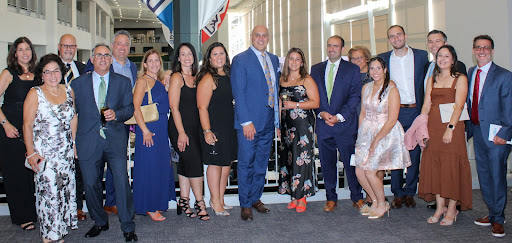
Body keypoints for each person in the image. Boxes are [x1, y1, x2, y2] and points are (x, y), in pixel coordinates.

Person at [71, 44, 137, 241]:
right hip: (88, 141)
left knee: (121, 182)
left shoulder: (123, 82)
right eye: (98, 55)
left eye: (106, 55)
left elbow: (130, 109)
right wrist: (73, 142)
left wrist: (116, 114)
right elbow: (72, 114)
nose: (102, 58)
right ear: (92, 59)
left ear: (111, 59)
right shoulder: (78, 84)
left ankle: (127, 226)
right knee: (91, 184)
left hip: (115, 140)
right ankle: (100, 221)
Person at [23, 54, 78, 242]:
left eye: (56, 70)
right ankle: (49, 236)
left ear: (62, 72)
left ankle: (58, 232)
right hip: (45, 156)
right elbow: (27, 125)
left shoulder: (69, 90)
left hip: (66, 153)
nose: (53, 75)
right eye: (47, 72)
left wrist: (75, 143)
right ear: (42, 74)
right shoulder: (35, 93)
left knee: (63, 194)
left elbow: (73, 118)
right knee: (49, 196)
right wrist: (31, 153)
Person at [417, 45, 472, 225]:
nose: (442, 59)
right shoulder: (432, 79)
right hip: (433, 126)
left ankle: (452, 209)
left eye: (446, 56)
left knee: (451, 168)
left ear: (453, 59)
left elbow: (459, 106)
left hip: (452, 127)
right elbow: (426, 104)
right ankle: (440, 207)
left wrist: (450, 128)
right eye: (440, 56)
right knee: (436, 168)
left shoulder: (460, 78)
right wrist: (422, 128)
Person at [231, 25, 280, 221]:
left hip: (268, 122)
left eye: (264, 35)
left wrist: (276, 121)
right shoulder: (240, 60)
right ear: (251, 37)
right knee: (246, 163)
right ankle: (245, 204)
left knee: (261, 163)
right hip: (249, 124)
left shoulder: (274, 59)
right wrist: (246, 122)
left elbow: (274, 92)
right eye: (257, 35)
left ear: (268, 38)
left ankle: (255, 198)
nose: (261, 38)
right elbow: (238, 92)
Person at [310, 35, 363, 212]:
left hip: (345, 125)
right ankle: (331, 198)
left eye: (336, 46)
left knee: (351, 164)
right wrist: (322, 113)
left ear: (342, 49)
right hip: (324, 125)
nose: (332, 49)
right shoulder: (316, 69)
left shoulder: (352, 69)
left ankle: (357, 196)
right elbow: (312, 96)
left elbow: (355, 96)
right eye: (329, 45)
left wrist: (339, 116)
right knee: (327, 164)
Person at [378, 25, 428, 209]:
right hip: (395, 112)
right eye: (392, 36)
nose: (396, 38)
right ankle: (397, 193)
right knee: (396, 152)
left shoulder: (422, 56)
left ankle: (410, 192)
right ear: (389, 40)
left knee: (414, 153)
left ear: (405, 36)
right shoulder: (384, 58)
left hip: (415, 110)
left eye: (399, 34)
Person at [354, 57, 411, 219]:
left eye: (378, 68)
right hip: (366, 131)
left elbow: (392, 119)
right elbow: (363, 113)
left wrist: (376, 139)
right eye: (372, 68)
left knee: (371, 171)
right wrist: (360, 135)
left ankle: (382, 203)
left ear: (385, 70)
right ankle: (375, 201)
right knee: (359, 171)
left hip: (385, 132)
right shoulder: (366, 87)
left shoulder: (392, 90)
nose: (375, 72)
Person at [467, 35, 512, 238]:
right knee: (484, 176)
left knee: (497, 177)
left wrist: (504, 133)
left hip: (497, 137)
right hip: (478, 132)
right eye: (478, 47)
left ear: (492, 51)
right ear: (474, 50)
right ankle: (492, 213)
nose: (482, 51)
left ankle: (499, 219)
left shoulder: (504, 75)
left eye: (486, 48)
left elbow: (509, 108)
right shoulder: (471, 72)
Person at [132, 49, 176, 221]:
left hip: (161, 129)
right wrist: (145, 131)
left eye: (157, 60)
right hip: (149, 130)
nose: (154, 63)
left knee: (160, 167)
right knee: (149, 168)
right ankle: (149, 206)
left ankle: (156, 202)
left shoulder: (158, 81)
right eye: (150, 61)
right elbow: (135, 108)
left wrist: (168, 72)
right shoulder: (143, 81)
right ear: (144, 64)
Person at [168, 43, 210, 221]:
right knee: (195, 164)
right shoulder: (177, 77)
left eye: (189, 54)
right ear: (178, 58)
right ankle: (200, 202)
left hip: (195, 128)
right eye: (182, 54)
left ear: (194, 56)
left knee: (186, 163)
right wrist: (181, 133)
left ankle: (183, 201)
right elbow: (174, 107)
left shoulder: (197, 77)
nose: (186, 57)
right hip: (180, 128)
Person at [0, 36, 38, 231]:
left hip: (32, 130)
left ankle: (32, 212)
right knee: (16, 174)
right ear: (14, 53)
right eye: (20, 49)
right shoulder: (8, 73)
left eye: (28, 49)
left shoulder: (37, 74)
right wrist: (5, 124)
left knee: (32, 173)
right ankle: (22, 216)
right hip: (12, 130)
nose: (25, 53)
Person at [197, 42, 237, 216]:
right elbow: (202, 107)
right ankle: (213, 200)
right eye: (215, 54)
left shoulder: (228, 75)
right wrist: (207, 131)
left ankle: (220, 198)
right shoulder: (208, 78)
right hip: (214, 127)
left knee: (226, 163)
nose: (219, 57)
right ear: (209, 58)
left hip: (229, 125)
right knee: (215, 164)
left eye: (222, 53)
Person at [277, 47, 319, 213]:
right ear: (287, 61)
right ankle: (294, 195)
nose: (294, 62)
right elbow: (280, 104)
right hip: (287, 125)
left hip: (302, 125)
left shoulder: (307, 79)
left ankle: (302, 197)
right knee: (289, 159)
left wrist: (296, 105)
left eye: (297, 59)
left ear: (302, 62)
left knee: (302, 159)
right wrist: (279, 126)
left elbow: (316, 102)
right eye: (291, 59)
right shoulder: (282, 79)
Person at [57, 33, 87, 221]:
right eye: (65, 46)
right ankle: (60, 206)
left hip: (81, 124)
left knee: (79, 167)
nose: (68, 49)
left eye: (72, 46)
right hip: (57, 127)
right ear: (59, 47)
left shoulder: (83, 69)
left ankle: (76, 207)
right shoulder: (51, 69)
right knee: (60, 168)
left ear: (76, 48)